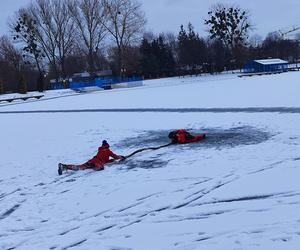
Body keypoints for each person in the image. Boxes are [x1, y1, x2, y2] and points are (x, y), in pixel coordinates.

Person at [58, 140, 125, 175]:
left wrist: (112, 160)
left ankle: (65, 166)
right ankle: (93, 166)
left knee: (80, 167)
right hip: (97, 162)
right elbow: (114, 156)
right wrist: (120, 157)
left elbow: (107, 160)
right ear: (107, 145)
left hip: (93, 160)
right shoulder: (108, 151)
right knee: (101, 168)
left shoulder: (100, 149)